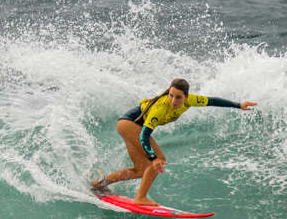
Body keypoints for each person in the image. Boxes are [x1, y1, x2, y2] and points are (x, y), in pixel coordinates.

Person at [91, 78, 257, 206]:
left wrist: (238, 105)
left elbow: (212, 101)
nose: (173, 100)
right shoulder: (160, 108)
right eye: (171, 95)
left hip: (130, 126)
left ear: (186, 97)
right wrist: (153, 158)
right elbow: (144, 135)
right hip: (129, 125)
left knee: (140, 170)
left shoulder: (191, 100)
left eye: (178, 97)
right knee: (158, 159)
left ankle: (99, 184)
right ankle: (140, 198)